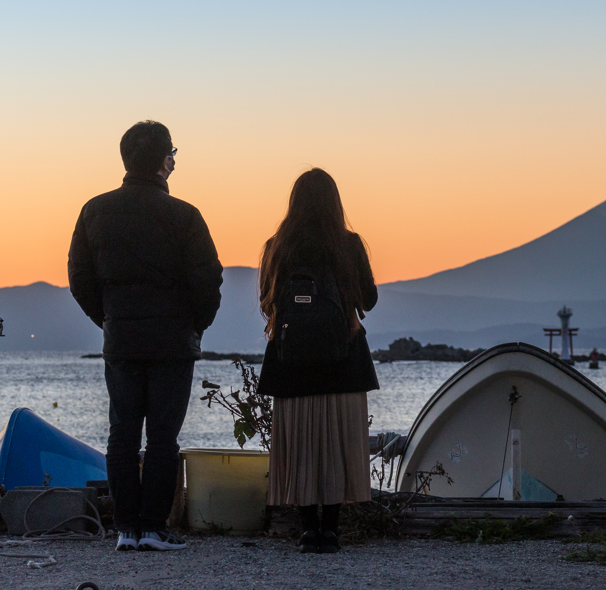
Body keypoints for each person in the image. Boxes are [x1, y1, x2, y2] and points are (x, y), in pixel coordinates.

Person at [68, 121, 222, 552]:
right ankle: (154, 526)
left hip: (121, 339)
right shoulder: (184, 216)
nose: (174, 159)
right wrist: (196, 324)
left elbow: (79, 277)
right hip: (173, 342)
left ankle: (125, 528)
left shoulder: (94, 211)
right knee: (162, 437)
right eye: (172, 152)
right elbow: (208, 278)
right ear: (162, 162)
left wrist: (109, 319)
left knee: (122, 432)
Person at [257, 168, 378, 554]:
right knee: (337, 444)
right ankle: (333, 530)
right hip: (343, 360)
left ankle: (308, 529)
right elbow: (369, 300)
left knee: (302, 445)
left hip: (291, 362)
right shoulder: (349, 244)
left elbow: (266, 300)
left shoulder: (278, 246)